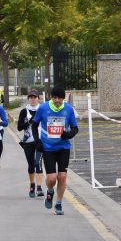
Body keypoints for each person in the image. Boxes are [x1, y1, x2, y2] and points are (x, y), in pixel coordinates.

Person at [32, 86, 78, 215]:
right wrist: (37, 141)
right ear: (51, 97)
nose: (57, 100)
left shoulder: (68, 109)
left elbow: (75, 128)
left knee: (62, 176)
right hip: (48, 147)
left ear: (63, 98)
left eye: (59, 98)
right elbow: (34, 125)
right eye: (54, 97)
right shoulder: (43, 108)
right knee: (52, 179)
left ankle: (58, 204)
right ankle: (50, 191)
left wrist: (68, 134)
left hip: (63, 147)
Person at [17, 90, 44, 198]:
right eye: (31, 97)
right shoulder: (24, 111)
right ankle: (32, 184)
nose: (33, 99)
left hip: (39, 141)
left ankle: (39, 187)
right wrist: (28, 122)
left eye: (35, 97)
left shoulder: (42, 110)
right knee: (31, 165)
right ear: (28, 99)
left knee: (38, 163)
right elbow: (19, 127)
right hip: (28, 142)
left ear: (38, 98)